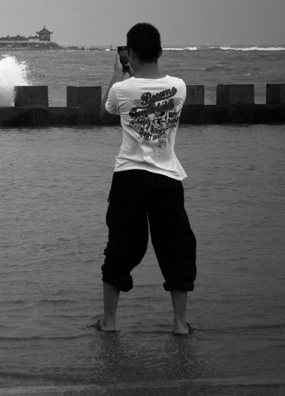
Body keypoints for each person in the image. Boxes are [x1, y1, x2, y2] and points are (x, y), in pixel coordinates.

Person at [95, 22, 196, 336]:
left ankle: (109, 322)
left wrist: (117, 72)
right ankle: (180, 324)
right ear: (161, 52)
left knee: (121, 246)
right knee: (176, 245)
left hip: (129, 177)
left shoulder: (121, 89)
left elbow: (104, 112)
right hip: (167, 177)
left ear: (131, 55)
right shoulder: (179, 87)